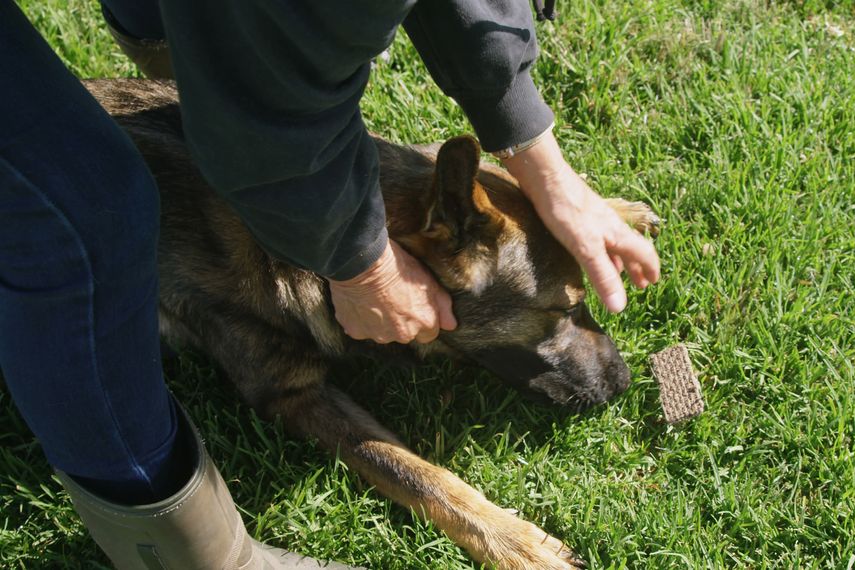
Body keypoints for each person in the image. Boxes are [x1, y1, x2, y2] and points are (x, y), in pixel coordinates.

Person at [0, 0, 660, 568]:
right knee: (90, 209)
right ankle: (180, 551)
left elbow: (463, 32)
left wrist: (543, 166)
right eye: (556, 316)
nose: (585, 344)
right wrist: (364, 269)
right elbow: (290, 394)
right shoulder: (233, 270)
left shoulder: (400, 176)